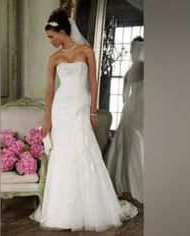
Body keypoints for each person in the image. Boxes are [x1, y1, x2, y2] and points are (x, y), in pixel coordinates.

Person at [30, 8, 138, 232]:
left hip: (80, 107)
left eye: (51, 36)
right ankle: (62, 211)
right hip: (61, 109)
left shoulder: (86, 51)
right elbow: (50, 90)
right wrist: (47, 117)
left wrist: (92, 111)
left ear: (62, 31)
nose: (50, 41)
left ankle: (89, 207)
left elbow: (93, 82)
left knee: (83, 149)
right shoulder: (54, 58)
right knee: (63, 153)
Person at [104, 36, 144, 204]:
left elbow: (124, 98)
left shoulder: (129, 72)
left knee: (127, 146)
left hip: (130, 112)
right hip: (144, 112)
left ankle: (122, 185)